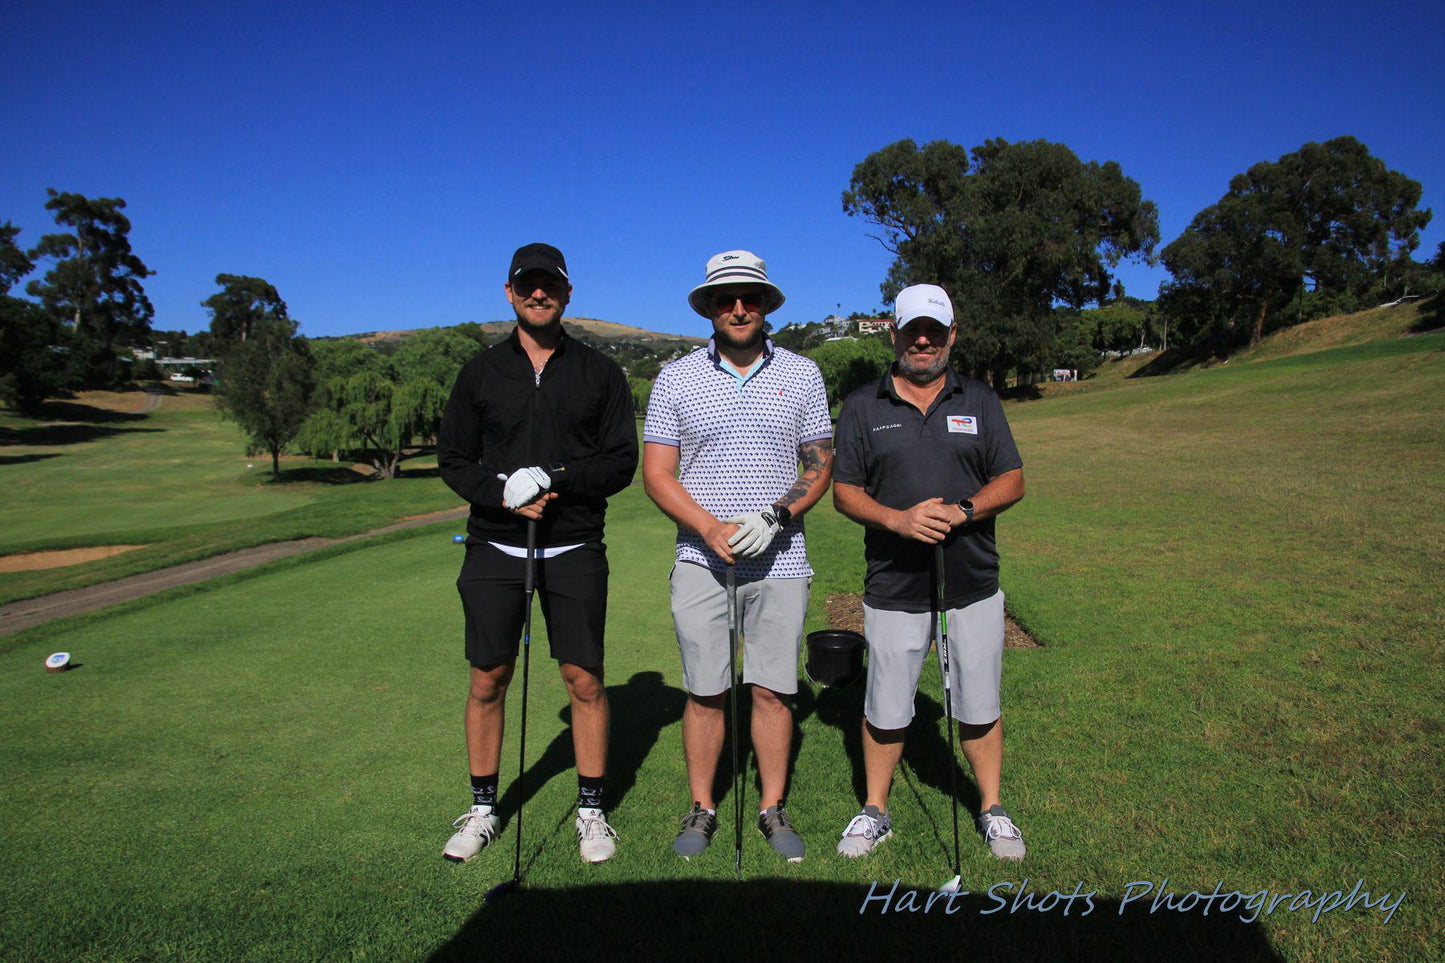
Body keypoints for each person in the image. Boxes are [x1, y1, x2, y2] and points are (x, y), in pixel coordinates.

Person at [437, 242, 638, 864]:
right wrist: (502, 493)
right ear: (509, 292)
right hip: (495, 545)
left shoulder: (599, 372)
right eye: (527, 285)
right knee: (488, 677)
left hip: (574, 544)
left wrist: (553, 477)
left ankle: (592, 810)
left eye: (549, 285)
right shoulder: (480, 373)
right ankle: (481, 807)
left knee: (582, 677)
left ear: (567, 293)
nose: (538, 293)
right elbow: (452, 460)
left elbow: (620, 462)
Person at [642, 250, 833, 863]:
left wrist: (776, 515)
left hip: (780, 560)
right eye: (726, 298)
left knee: (773, 690)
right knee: (704, 690)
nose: (739, 307)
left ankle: (772, 807)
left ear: (767, 303)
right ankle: (703, 806)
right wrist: (709, 527)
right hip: (701, 560)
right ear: (710, 307)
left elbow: (819, 462)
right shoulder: (675, 377)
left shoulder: (803, 373)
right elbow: (657, 473)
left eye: (749, 296)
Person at [830, 283, 1027, 861]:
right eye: (913, 330)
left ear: (951, 336)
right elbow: (844, 491)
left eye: (934, 331)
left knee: (980, 700)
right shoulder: (864, 405)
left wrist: (964, 510)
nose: (923, 341)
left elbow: (1012, 480)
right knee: (887, 702)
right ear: (894, 333)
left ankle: (991, 809)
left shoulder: (980, 400)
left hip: (971, 580)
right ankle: (874, 810)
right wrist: (897, 519)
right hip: (894, 582)